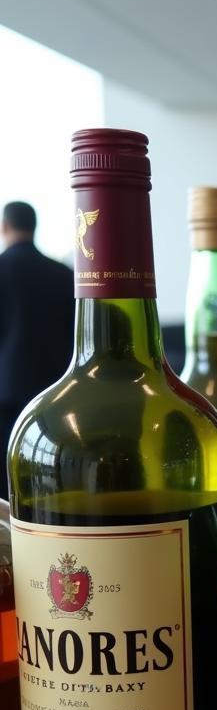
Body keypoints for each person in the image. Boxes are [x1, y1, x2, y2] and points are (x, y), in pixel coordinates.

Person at [0, 201, 75, 493]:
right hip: (53, 390)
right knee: (49, 474)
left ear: (5, 227)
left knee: (8, 481)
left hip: (4, 393)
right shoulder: (63, 274)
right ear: (34, 227)